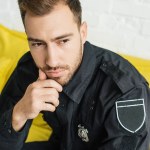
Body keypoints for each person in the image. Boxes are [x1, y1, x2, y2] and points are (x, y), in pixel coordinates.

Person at [0, 0, 150, 149]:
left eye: (63, 41)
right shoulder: (29, 68)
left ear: (83, 33)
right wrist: (19, 114)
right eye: (38, 44)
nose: (51, 61)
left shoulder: (127, 92)